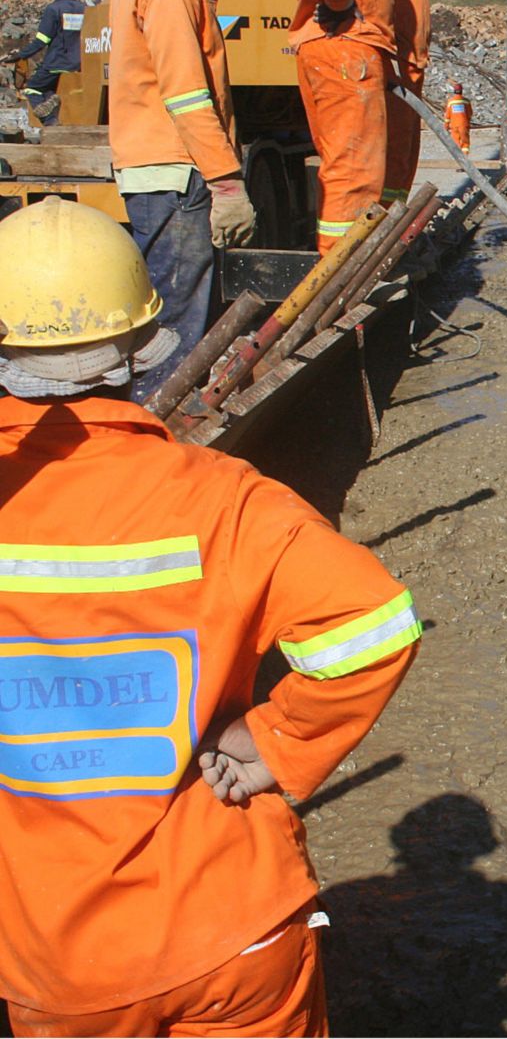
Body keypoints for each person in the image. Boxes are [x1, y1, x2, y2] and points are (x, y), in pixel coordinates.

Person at [0, 198, 421, 1036]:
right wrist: (276, 739)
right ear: (143, 353)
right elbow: (370, 621)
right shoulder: (221, 498)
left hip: (58, 963)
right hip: (233, 929)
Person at [109, 0, 257, 401]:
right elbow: (188, 94)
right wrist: (227, 180)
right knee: (176, 315)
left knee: (168, 305)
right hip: (176, 169)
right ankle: (162, 425)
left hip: (154, 163)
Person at [286, 0, 395, 254]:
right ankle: (344, 275)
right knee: (355, 172)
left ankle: (336, 267)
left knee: (339, 167)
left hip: (322, 48)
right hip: (348, 48)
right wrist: (342, 1)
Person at [363, 0, 429, 207]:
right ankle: (381, 229)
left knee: (403, 155)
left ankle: (394, 229)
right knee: (388, 156)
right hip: (393, 64)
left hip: (409, 65)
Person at [1, 0, 84, 126]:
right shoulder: (83, 9)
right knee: (49, 92)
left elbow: (42, 41)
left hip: (57, 63)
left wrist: (20, 55)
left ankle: (49, 121)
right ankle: (53, 113)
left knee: (33, 89)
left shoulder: (54, 9)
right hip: (78, 64)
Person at [444, 81, 471, 153]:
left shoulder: (451, 102)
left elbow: (447, 116)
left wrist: (446, 127)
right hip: (464, 125)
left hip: (454, 125)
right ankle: (465, 157)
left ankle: (457, 157)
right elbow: (469, 114)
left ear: (454, 91)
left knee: (456, 141)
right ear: (462, 91)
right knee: (465, 142)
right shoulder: (466, 101)